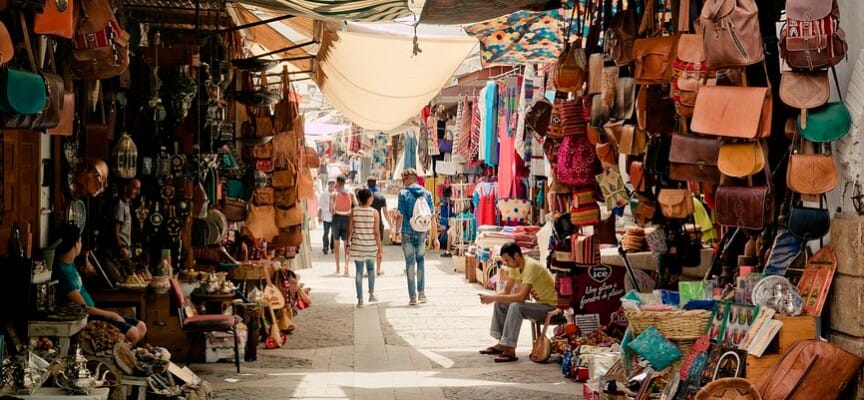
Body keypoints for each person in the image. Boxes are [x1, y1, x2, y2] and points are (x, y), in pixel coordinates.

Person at [54, 223, 147, 344]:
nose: (81, 244)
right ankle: (119, 352)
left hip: (95, 310)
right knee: (133, 333)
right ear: (75, 244)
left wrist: (87, 266)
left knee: (142, 326)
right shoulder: (62, 272)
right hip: (89, 316)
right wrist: (112, 314)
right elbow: (84, 309)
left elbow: (89, 272)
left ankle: (122, 352)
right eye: (80, 240)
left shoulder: (70, 262)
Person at [478, 242, 557, 362]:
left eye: (507, 260)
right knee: (501, 303)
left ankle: (510, 348)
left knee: (516, 306)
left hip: (551, 308)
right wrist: (491, 297)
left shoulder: (530, 266)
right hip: (541, 305)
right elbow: (506, 291)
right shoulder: (516, 267)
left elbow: (521, 297)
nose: (506, 264)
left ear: (516, 256)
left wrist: (493, 298)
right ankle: (502, 343)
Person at [397, 168, 433, 306]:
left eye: (403, 180)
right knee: (421, 261)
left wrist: (395, 231)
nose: (403, 183)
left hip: (407, 231)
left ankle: (412, 297)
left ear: (408, 179)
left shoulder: (403, 194)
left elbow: (400, 214)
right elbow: (431, 216)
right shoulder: (427, 193)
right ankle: (422, 293)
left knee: (410, 263)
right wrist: (434, 237)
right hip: (421, 232)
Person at [348, 189, 383, 307]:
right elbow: (376, 232)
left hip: (357, 245)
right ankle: (371, 294)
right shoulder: (374, 212)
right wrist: (380, 247)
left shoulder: (354, 211)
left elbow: (350, 230)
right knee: (371, 269)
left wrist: (348, 243)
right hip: (370, 245)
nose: (372, 199)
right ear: (368, 199)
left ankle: (360, 299)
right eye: (371, 197)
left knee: (358, 271)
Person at [330, 175, 356, 276]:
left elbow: (331, 210)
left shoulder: (334, 194)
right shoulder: (351, 193)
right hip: (347, 219)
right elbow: (356, 205)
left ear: (337, 182)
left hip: (337, 218)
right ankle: (346, 267)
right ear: (345, 182)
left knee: (336, 244)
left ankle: (337, 267)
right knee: (347, 244)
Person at [111, 179, 141, 266]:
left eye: (139, 189)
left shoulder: (128, 205)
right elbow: (115, 233)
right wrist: (123, 253)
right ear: (126, 188)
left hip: (128, 252)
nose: (138, 192)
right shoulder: (120, 205)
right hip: (121, 255)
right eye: (135, 188)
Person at [367, 178, 391, 276]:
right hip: (378, 224)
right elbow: (385, 212)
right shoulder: (381, 196)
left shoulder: (364, 196)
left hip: (367, 224)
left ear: (367, 184)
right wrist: (391, 225)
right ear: (376, 184)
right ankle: (378, 268)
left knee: (367, 247)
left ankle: (368, 269)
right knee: (378, 246)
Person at [318, 179, 336, 255]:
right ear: (328, 185)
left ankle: (332, 247)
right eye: (330, 184)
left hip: (335, 216)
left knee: (334, 233)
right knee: (326, 232)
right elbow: (320, 206)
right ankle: (325, 247)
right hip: (326, 216)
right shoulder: (324, 194)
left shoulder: (337, 194)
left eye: (333, 184)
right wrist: (319, 216)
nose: (331, 185)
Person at [438, 186, 455, 257]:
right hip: (448, 215)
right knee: (445, 230)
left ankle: (445, 246)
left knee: (444, 230)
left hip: (446, 215)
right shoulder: (448, 201)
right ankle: (445, 245)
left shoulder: (443, 199)